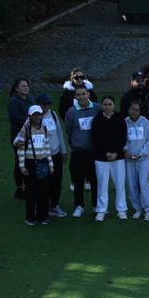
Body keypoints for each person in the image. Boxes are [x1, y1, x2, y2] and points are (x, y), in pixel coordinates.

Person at [91, 95, 128, 222]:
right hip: (101, 158)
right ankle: (101, 210)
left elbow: (123, 137)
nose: (107, 107)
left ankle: (121, 209)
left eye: (110, 104)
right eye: (105, 104)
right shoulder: (97, 119)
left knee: (120, 184)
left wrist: (116, 153)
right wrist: (106, 153)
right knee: (102, 185)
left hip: (118, 157)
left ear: (114, 105)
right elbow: (95, 139)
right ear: (102, 106)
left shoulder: (119, 118)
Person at [64, 84, 98, 218]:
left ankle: (96, 205)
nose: (81, 97)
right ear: (75, 97)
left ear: (88, 94)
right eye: (78, 95)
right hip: (78, 152)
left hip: (94, 152)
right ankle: (79, 206)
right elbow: (69, 130)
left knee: (95, 180)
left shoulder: (97, 108)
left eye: (84, 94)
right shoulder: (71, 112)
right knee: (78, 181)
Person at [15, 105, 53, 225]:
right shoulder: (25, 129)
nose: (37, 117)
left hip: (43, 162)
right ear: (30, 116)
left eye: (39, 114)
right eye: (34, 115)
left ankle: (43, 217)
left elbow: (47, 147)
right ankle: (30, 218)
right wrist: (22, 167)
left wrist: (51, 164)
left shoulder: (44, 128)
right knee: (31, 193)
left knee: (44, 192)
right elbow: (20, 149)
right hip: (30, 163)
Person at [123, 100, 149, 220]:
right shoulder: (125, 122)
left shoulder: (145, 122)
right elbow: (122, 139)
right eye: (132, 109)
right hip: (129, 159)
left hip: (143, 159)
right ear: (128, 110)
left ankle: (148, 209)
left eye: (137, 110)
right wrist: (126, 151)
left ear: (140, 111)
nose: (134, 112)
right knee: (131, 184)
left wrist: (142, 154)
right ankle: (137, 208)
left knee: (143, 183)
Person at [8, 78, 33, 198]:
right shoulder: (14, 101)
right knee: (20, 161)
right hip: (19, 136)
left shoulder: (31, 99)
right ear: (17, 88)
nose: (26, 88)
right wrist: (31, 121)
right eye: (23, 86)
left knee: (29, 160)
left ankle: (28, 186)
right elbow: (15, 118)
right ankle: (19, 188)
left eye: (27, 86)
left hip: (31, 135)